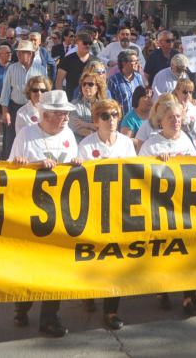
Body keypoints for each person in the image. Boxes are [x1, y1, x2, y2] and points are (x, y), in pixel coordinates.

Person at [8, 90, 80, 337]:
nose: (66, 119)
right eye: (61, 114)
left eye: (67, 114)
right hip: (31, 212)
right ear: (46, 115)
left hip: (60, 212)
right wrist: (29, 165)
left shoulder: (69, 135)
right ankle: (22, 306)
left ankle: (50, 318)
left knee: (56, 269)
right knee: (30, 268)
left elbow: (73, 167)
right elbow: (12, 169)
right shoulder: (26, 135)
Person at [138, 97, 196, 317]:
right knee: (165, 252)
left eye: (178, 117)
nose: (175, 121)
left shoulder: (188, 140)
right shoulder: (152, 144)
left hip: (186, 206)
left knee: (187, 253)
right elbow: (139, 173)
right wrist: (157, 162)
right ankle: (163, 290)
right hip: (161, 207)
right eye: (170, 117)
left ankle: (189, 297)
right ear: (161, 121)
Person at [77, 98, 133, 329]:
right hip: (94, 208)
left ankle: (111, 310)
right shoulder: (86, 145)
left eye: (114, 115)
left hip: (119, 209)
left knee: (115, 259)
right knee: (93, 256)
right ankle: (89, 292)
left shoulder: (126, 144)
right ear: (96, 120)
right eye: (105, 116)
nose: (111, 120)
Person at [0, 40, 48, 160]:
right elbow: (5, 92)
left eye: (22, 53)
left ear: (30, 54)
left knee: (32, 137)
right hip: (15, 108)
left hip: (35, 108)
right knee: (10, 140)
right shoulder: (12, 68)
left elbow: (46, 91)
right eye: (18, 53)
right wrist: (5, 112)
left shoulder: (41, 70)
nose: (19, 55)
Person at [69, 71, 107, 139]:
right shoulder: (74, 104)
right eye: (84, 84)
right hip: (80, 144)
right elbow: (75, 127)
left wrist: (86, 124)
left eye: (90, 84)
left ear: (97, 87)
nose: (86, 87)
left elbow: (106, 126)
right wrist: (97, 132)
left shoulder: (103, 106)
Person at [107, 50, 146, 115]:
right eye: (134, 61)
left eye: (137, 61)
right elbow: (110, 103)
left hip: (137, 120)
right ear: (124, 63)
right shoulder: (113, 80)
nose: (137, 63)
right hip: (122, 121)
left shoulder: (138, 77)